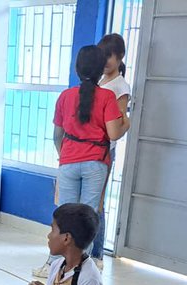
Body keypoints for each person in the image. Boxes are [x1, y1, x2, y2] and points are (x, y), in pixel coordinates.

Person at [52, 45, 128, 245]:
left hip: (68, 161)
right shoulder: (106, 97)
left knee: (64, 216)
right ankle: (81, 268)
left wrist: (65, 154)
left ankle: (56, 265)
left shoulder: (65, 96)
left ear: (77, 68)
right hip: (95, 163)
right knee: (87, 219)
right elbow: (113, 133)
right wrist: (126, 123)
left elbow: (56, 135)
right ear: (100, 68)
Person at [93, 33, 131, 262]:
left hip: (105, 149)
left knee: (98, 202)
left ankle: (97, 255)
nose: (106, 61)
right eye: (103, 56)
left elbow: (118, 124)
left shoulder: (120, 86)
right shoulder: (99, 81)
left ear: (120, 57)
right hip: (91, 147)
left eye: (110, 56)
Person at [27, 203, 104, 285]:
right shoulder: (57, 265)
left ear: (66, 238)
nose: (49, 236)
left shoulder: (89, 278)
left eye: (53, 230)